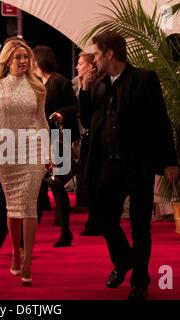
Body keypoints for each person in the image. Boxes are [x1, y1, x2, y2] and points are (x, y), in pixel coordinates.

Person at [79, 31, 179, 300]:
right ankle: (123, 261)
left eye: (97, 55)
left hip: (138, 164)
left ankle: (140, 281)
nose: (94, 61)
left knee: (140, 226)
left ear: (110, 54)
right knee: (104, 219)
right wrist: (85, 89)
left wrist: (170, 160)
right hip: (107, 165)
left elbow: (161, 120)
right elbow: (88, 121)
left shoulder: (145, 79)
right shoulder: (98, 84)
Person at [0, 39, 48, 286]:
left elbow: (42, 121)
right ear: (7, 60)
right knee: (13, 208)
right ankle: (16, 253)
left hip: (34, 150)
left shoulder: (37, 85)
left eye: (26, 57)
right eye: (18, 57)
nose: (23, 61)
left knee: (29, 206)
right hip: (7, 152)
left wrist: (49, 153)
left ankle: (28, 260)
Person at [32, 45, 78, 247]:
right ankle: (45, 225)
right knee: (41, 183)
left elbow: (76, 106)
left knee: (57, 183)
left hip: (60, 137)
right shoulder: (33, 83)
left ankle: (65, 229)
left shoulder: (60, 82)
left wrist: (61, 113)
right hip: (40, 138)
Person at [73, 52, 102, 235]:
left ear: (91, 66)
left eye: (81, 63)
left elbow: (86, 117)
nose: (77, 67)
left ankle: (96, 220)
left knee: (93, 180)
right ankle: (94, 219)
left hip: (97, 139)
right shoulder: (83, 85)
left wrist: (85, 88)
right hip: (87, 138)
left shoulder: (99, 85)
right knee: (87, 179)